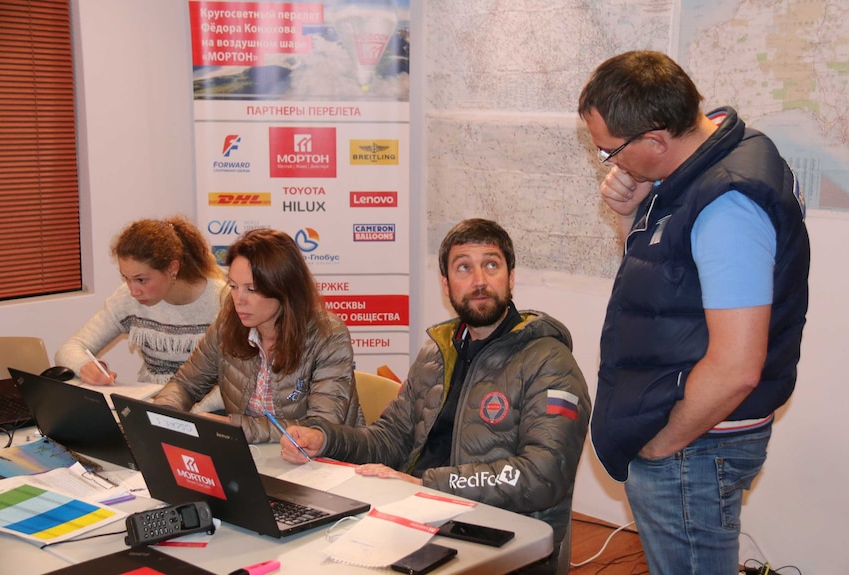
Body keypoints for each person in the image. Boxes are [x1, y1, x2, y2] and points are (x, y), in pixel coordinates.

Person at [578, 50, 809, 575]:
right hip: (691, 434)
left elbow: (736, 367)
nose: (609, 164)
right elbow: (667, 280)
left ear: (656, 140)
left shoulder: (727, 206)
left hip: (696, 443)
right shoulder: (704, 159)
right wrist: (636, 206)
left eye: (609, 152)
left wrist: (664, 445)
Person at [280, 219, 591, 575]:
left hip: (499, 540)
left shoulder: (550, 362)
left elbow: (543, 476)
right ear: (446, 284)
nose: (479, 281)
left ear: (511, 277)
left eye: (491, 264)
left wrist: (425, 483)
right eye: (464, 267)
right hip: (414, 519)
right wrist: (325, 438)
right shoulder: (435, 355)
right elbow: (389, 439)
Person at [152, 228, 363, 443]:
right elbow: (186, 383)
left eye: (251, 289)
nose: (238, 299)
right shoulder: (227, 323)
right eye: (233, 286)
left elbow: (321, 428)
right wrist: (164, 414)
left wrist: (239, 427)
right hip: (256, 457)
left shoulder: (328, 335)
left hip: (323, 465)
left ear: (284, 288)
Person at [55, 216, 226, 387]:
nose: (133, 291)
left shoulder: (222, 299)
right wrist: (85, 366)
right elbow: (70, 348)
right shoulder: (127, 299)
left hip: (205, 409)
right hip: (150, 402)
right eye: (126, 278)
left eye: (141, 280)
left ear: (172, 269)